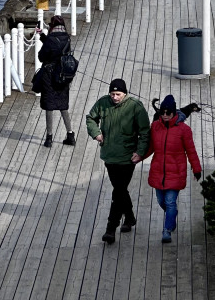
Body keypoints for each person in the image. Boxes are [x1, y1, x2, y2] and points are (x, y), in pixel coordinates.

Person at [86, 78, 151, 244]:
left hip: (128, 157)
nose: (114, 97)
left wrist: (140, 152)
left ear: (125, 93)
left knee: (118, 192)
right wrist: (96, 133)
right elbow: (91, 118)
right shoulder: (103, 103)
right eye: (112, 94)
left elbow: (145, 132)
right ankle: (129, 218)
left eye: (118, 94)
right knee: (120, 190)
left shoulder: (135, 107)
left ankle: (110, 229)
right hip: (109, 156)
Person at [140, 95, 202, 244]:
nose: (165, 115)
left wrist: (196, 169)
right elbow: (151, 147)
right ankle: (172, 216)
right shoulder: (155, 126)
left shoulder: (184, 130)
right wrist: (137, 157)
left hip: (176, 172)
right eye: (163, 112)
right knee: (162, 201)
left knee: (170, 202)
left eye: (168, 112)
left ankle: (167, 230)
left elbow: (191, 151)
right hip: (158, 171)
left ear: (174, 112)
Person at [32, 15, 75, 148]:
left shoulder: (51, 39)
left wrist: (45, 39)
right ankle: (70, 134)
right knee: (63, 105)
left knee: (49, 105)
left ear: (52, 26)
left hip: (49, 76)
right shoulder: (67, 38)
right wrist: (43, 36)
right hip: (63, 75)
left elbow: (41, 56)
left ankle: (49, 138)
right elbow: (57, 48)